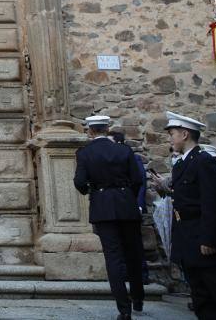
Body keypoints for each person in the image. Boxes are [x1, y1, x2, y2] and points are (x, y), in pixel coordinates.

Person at [163, 111, 216, 319]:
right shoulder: (182, 164)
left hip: (202, 238)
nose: (170, 139)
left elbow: (212, 202)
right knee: (200, 296)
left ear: (184, 134)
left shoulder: (203, 161)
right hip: (187, 238)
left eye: (173, 134)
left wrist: (209, 238)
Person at [74, 115, 144, 320]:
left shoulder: (85, 153)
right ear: (106, 128)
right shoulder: (124, 150)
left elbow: (79, 182)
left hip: (103, 207)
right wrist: (128, 195)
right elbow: (138, 179)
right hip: (127, 205)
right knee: (133, 254)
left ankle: (124, 309)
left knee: (113, 257)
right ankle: (138, 299)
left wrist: (92, 191)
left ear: (90, 131)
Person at [111, 130, 149, 285]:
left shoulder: (133, 158)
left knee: (135, 245)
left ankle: (142, 274)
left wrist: (138, 205)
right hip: (116, 208)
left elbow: (140, 183)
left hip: (131, 207)